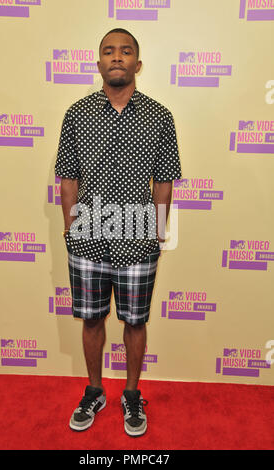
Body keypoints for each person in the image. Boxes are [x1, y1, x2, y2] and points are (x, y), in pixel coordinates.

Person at [55, 28, 182, 437]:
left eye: (125, 51)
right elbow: (67, 177)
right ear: (98, 64)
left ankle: (130, 393)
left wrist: (156, 232)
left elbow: (164, 182)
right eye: (108, 51)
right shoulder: (77, 113)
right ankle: (94, 390)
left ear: (138, 64)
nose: (116, 57)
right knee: (91, 320)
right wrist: (71, 228)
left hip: (139, 238)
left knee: (135, 322)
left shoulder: (160, 117)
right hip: (87, 239)